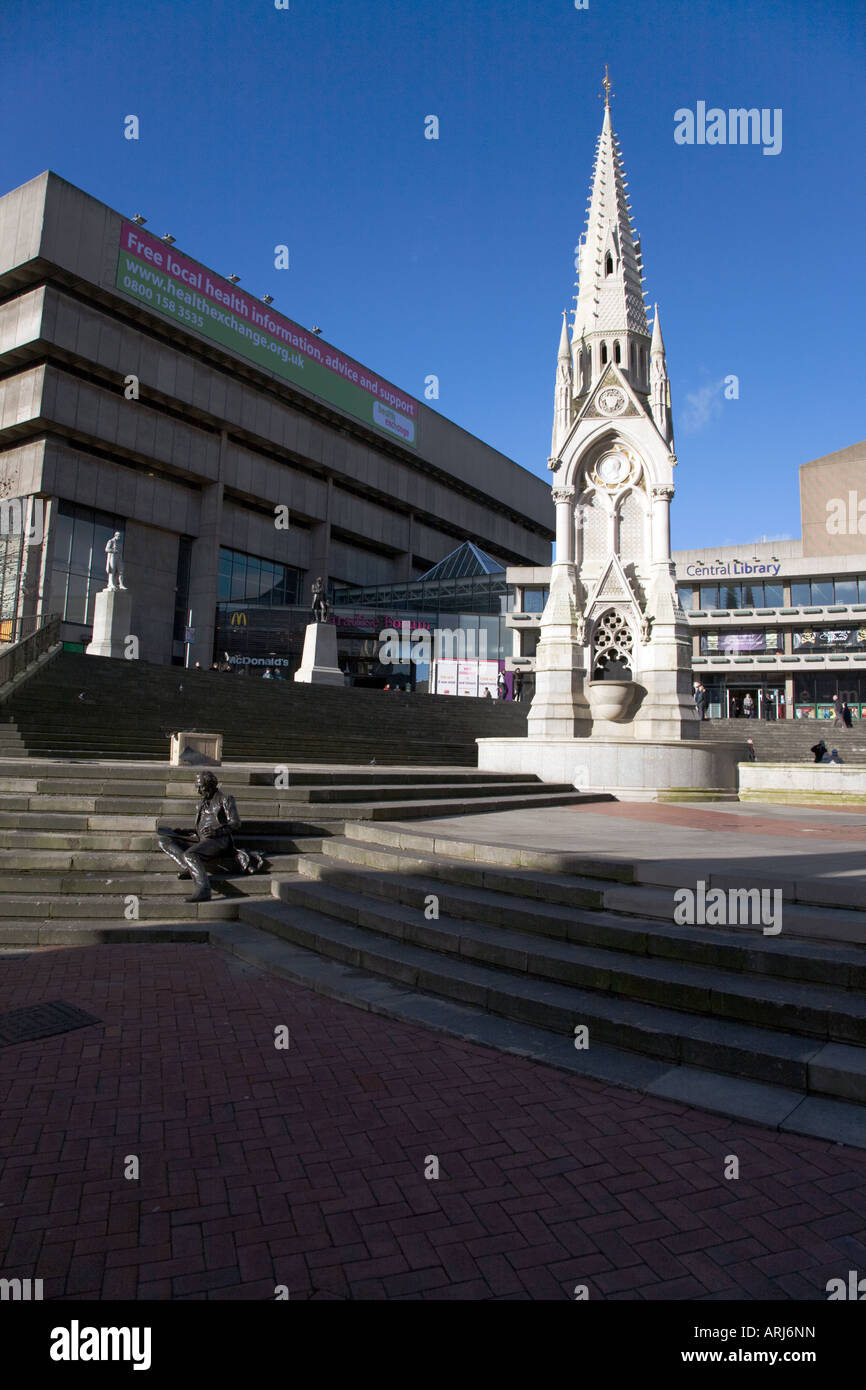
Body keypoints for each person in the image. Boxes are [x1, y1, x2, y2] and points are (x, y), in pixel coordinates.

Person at [156, 771, 264, 903]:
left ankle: (204, 890)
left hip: (218, 840)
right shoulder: (201, 803)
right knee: (164, 840)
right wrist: (180, 833)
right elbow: (199, 827)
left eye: (201, 787)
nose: (199, 791)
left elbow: (235, 823)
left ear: (211, 785)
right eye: (198, 787)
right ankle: (190, 867)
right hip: (201, 838)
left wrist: (216, 832)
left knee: (190, 854)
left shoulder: (225, 799)